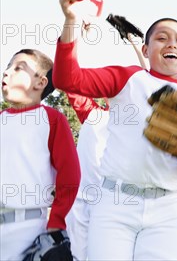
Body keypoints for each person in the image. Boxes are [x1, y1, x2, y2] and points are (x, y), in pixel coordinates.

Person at [53, 0, 177, 260]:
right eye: (161, 38)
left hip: (169, 207)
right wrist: (70, 21)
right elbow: (66, 79)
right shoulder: (127, 78)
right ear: (145, 48)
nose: (171, 44)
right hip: (115, 202)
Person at [65, 27, 147, 261]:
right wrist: (76, 34)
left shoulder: (135, 120)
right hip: (82, 203)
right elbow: (72, 78)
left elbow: (149, 80)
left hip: (116, 203)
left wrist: (134, 43)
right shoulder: (91, 113)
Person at [1, 49, 80, 260]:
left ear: (40, 82)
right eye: (7, 67)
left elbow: (70, 175)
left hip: (28, 229)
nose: (6, 73)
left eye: (18, 68)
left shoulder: (52, 119)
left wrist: (57, 220)